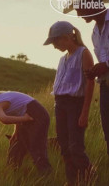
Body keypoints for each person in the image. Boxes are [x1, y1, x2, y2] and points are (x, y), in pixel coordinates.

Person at [64, 0, 109, 167]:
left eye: (79, 8)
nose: (77, 14)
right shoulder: (94, 33)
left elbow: (106, 64)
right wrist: (95, 72)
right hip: (106, 91)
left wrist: (106, 64)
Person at [43, 21, 94, 185]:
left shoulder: (83, 53)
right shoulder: (62, 59)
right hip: (61, 105)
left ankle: (91, 178)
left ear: (66, 37)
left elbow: (90, 83)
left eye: (55, 42)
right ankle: (72, 181)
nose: (54, 46)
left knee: (75, 147)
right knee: (64, 147)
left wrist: (84, 112)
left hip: (75, 105)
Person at [0, 82, 51, 175]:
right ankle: (12, 173)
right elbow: (17, 111)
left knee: (36, 147)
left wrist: (24, 119)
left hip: (36, 115)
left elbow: (4, 119)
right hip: (30, 114)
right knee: (16, 146)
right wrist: (16, 131)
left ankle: (46, 174)